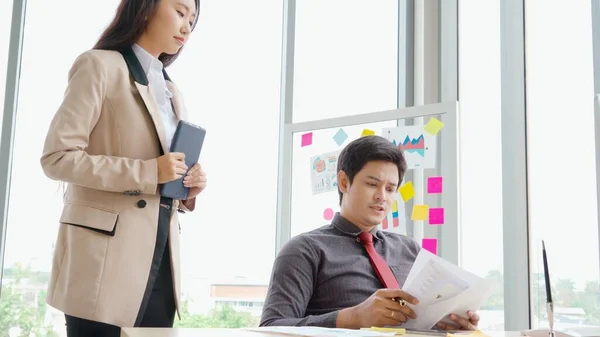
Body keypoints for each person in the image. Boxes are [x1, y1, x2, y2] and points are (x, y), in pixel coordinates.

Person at [39, 0, 204, 336]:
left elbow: (164, 175)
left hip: (161, 263)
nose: (187, 26)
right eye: (180, 11)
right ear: (145, 7)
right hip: (102, 262)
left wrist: (188, 188)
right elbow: (57, 157)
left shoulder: (173, 92)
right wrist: (149, 173)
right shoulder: (98, 66)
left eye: (192, 19)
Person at [259, 135, 479, 331]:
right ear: (344, 182)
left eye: (390, 189)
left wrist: (454, 324)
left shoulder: (409, 249)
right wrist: (352, 317)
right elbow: (271, 326)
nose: (382, 196)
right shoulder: (305, 250)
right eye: (372, 184)